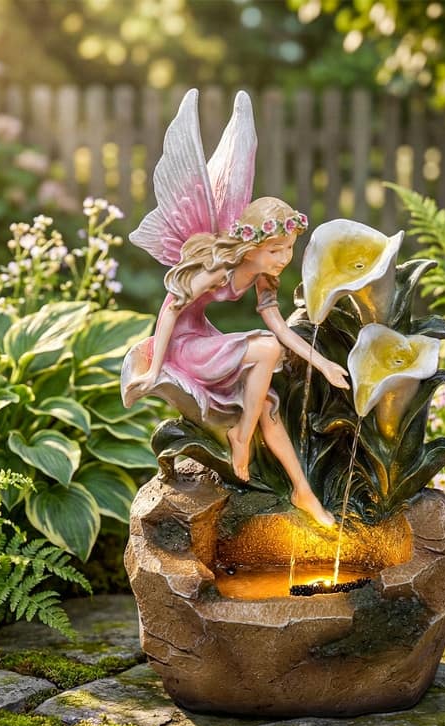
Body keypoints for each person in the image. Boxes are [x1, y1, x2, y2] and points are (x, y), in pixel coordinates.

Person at [121, 195, 349, 527]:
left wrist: (324, 365)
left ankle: (303, 492)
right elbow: (171, 307)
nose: (285, 258)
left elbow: (281, 329)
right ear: (251, 245)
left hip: (203, 340)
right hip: (181, 346)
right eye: (275, 250)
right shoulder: (218, 265)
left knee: (268, 407)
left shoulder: (263, 276)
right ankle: (241, 438)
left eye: (289, 249)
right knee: (267, 349)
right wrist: (155, 367)